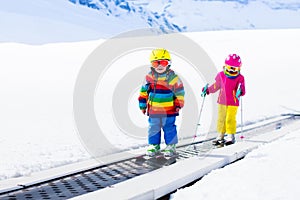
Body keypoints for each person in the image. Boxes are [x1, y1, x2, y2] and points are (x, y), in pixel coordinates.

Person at [138, 48, 185, 156]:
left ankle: (171, 146)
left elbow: (180, 91)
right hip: (154, 110)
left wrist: (178, 104)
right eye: (156, 63)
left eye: (163, 62)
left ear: (168, 64)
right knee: (153, 128)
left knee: (169, 127)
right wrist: (142, 105)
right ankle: (154, 145)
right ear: (152, 64)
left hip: (169, 110)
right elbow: (143, 92)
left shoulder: (173, 77)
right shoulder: (149, 77)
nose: (159, 66)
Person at [202, 53, 246, 145]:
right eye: (229, 67)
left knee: (230, 118)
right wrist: (208, 90)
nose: (230, 70)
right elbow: (216, 86)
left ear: (238, 68)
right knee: (221, 118)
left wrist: (240, 91)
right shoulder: (221, 75)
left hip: (233, 102)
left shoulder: (240, 78)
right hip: (222, 101)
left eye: (233, 68)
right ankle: (221, 134)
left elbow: (243, 89)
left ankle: (230, 135)